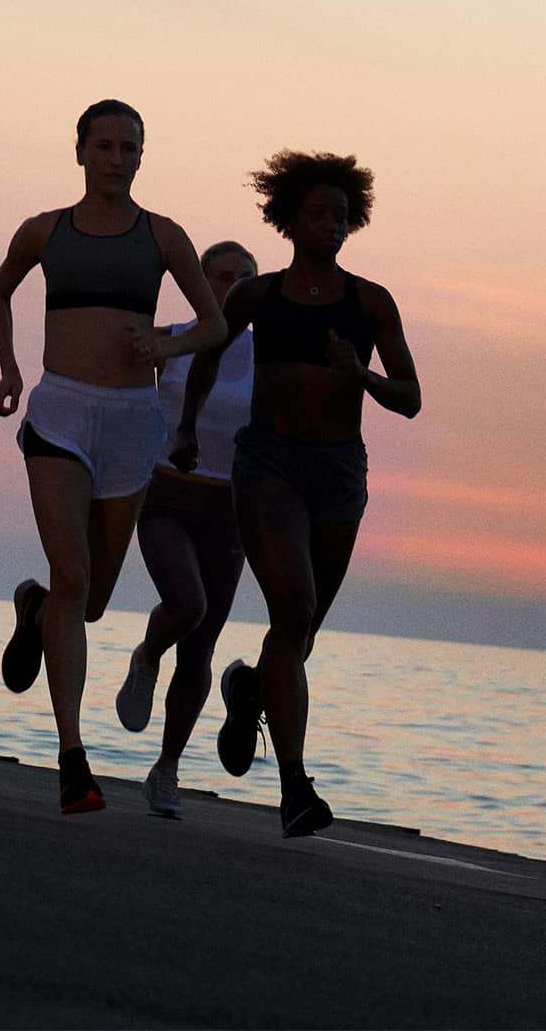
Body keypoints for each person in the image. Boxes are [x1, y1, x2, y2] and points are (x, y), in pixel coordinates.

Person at [0, 100, 226, 814]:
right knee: (71, 571)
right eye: (106, 145)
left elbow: (213, 323)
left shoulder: (163, 236)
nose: (118, 158)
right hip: (60, 412)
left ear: (143, 157)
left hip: (129, 424)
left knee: (86, 602)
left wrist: (168, 344)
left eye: (130, 148)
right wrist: (10, 368)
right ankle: (72, 758)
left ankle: (33, 612)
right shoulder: (45, 230)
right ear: (81, 151)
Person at [172, 150, 420, 837]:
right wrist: (187, 429)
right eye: (317, 215)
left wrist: (362, 378)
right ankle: (295, 788)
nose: (330, 227)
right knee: (297, 606)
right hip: (269, 466)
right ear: (289, 218)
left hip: (339, 472)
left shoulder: (371, 303)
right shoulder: (256, 297)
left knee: (298, 630)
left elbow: (411, 397)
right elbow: (207, 360)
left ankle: (251, 687)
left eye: (341, 217)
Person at [115, 240, 259, 818]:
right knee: (188, 604)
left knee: (200, 646)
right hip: (167, 496)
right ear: (197, 281)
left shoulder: (264, 353)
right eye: (218, 277)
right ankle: (148, 652)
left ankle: (166, 768)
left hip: (231, 510)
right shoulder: (170, 339)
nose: (228, 288)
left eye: (241, 280)